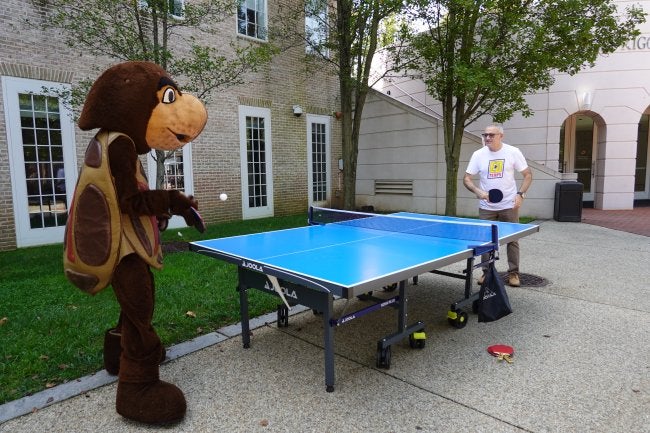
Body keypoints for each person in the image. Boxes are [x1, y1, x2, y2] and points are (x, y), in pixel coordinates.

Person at [463, 124, 532, 287]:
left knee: (512, 240)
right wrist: (477, 191)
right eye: (485, 135)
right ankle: (486, 272)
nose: (487, 138)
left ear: (501, 136)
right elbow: (466, 178)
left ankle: (514, 274)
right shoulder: (478, 155)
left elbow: (528, 175)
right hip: (487, 207)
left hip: (509, 205)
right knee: (485, 241)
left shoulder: (513, 152)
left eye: (491, 135)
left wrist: (520, 194)